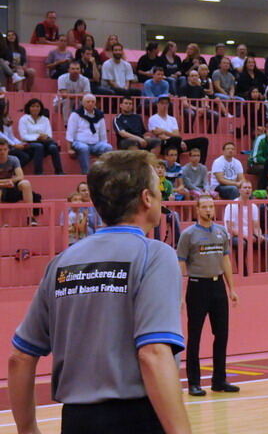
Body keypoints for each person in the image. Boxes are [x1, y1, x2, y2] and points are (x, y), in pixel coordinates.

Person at [8, 150, 192, 434]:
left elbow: (20, 358)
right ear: (146, 198)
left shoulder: (61, 262)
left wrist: (28, 429)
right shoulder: (155, 255)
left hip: (76, 420)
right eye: (158, 189)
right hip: (138, 417)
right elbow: (154, 353)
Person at [177, 195, 240, 396]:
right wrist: (180, 293)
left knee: (221, 334)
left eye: (211, 206)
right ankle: (194, 382)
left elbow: (226, 261)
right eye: (204, 207)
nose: (208, 210)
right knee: (194, 336)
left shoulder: (222, 231)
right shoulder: (188, 235)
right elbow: (181, 263)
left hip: (217, 286)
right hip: (197, 286)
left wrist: (232, 289)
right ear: (197, 210)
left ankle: (219, 380)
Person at [67, 94, 114, 174]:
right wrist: (69, 149)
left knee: (108, 147)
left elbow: (102, 133)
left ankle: (103, 172)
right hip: (79, 142)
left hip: (95, 144)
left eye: (93, 102)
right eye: (88, 102)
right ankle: (86, 173)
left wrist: (103, 142)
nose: (90, 103)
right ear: (82, 103)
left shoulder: (99, 115)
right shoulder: (76, 114)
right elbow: (70, 132)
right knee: (84, 148)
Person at [18, 98, 64, 175]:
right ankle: (38, 172)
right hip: (29, 143)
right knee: (39, 146)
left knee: (53, 147)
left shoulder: (45, 119)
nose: (35, 108)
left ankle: (59, 171)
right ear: (28, 108)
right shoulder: (23, 119)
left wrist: (44, 137)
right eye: (33, 106)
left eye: (37, 106)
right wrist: (37, 137)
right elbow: (23, 136)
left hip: (44, 141)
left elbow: (49, 134)